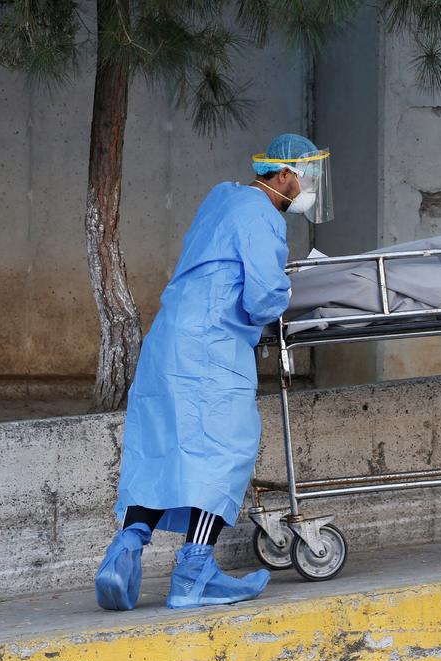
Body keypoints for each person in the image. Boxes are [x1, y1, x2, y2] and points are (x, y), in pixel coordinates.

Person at [94, 133, 332, 610]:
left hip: (168, 342)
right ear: (285, 173)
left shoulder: (222, 198)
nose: (308, 188)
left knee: (165, 448)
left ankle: (123, 553)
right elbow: (261, 298)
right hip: (211, 348)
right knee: (225, 452)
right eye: (307, 177)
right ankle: (193, 575)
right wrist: (294, 290)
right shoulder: (263, 215)